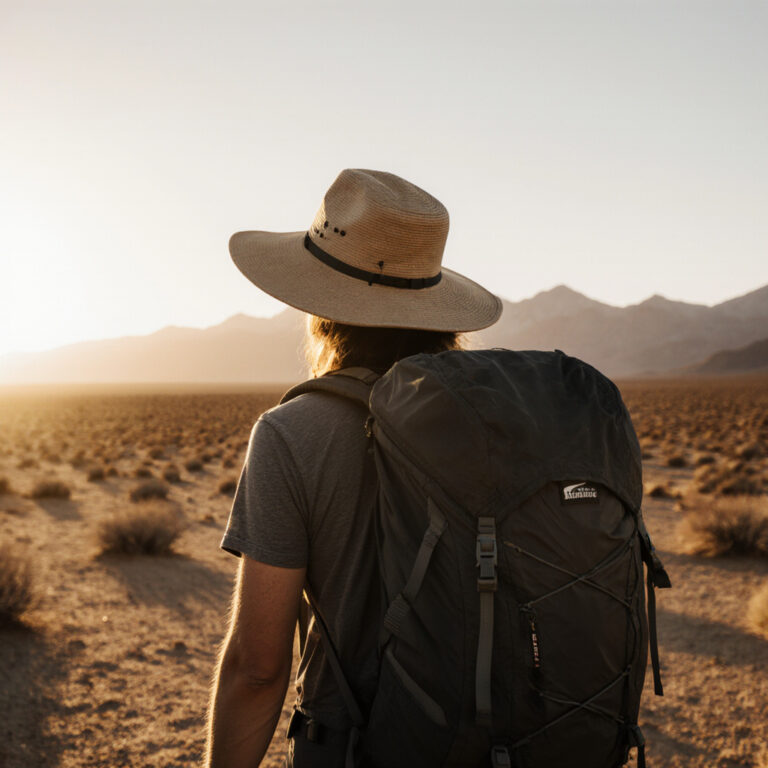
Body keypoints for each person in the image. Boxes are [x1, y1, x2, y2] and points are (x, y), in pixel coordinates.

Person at [205, 168, 502, 767]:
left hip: (356, 745)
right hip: (504, 741)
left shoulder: (292, 433)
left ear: (320, 312)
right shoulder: (497, 419)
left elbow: (259, 670)